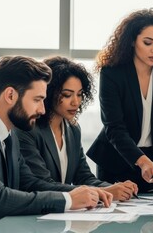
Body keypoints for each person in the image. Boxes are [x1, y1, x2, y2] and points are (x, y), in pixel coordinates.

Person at [0, 56, 113, 232]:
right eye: (37, 100)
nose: (42, 109)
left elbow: (30, 183)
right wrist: (68, 200)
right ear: (10, 95)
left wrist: (82, 193)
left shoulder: (10, 132)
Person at [86, 8, 153, 194]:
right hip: (116, 161)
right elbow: (114, 127)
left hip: (152, 166)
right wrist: (142, 161)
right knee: (115, 220)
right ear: (133, 41)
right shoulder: (112, 73)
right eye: (148, 42)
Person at [14, 56, 138, 201]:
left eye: (79, 94)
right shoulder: (29, 129)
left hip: (62, 214)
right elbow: (41, 184)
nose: (76, 102)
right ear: (49, 92)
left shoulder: (73, 129)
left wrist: (118, 189)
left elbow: (83, 176)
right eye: (67, 95)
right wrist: (101, 192)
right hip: (36, 215)